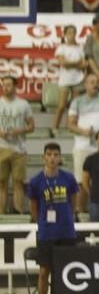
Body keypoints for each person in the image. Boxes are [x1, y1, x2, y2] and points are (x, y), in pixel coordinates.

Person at [28, 144, 79, 294]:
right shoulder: (35, 182)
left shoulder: (69, 179)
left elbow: (73, 204)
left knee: (66, 274)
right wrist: (43, 223)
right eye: (48, 154)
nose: (52, 158)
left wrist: (65, 219)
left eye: (55, 154)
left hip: (66, 232)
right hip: (46, 233)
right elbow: (34, 209)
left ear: (60, 158)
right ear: (43, 157)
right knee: (44, 273)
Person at [68, 74, 99, 212]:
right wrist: (83, 131)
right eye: (91, 82)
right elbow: (70, 125)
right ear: (85, 84)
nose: (95, 84)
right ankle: (80, 211)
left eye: (97, 82)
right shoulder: (77, 101)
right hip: (82, 146)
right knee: (80, 181)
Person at [0, 77, 33, 215]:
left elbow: (31, 126)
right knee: (1, 183)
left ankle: (18, 212)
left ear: (15, 86)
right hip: (1, 147)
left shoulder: (23, 104)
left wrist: (19, 130)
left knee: (18, 182)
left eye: (8, 85)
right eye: (4, 85)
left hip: (19, 149)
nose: (5, 87)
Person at [53, 26, 87, 131]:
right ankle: (55, 127)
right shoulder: (61, 48)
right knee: (62, 105)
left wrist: (71, 64)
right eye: (69, 33)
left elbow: (84, 65)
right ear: (65, 34)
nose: (71, 35)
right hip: (65, 80)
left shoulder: (80, 48)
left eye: (73, 32)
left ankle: (72, 126)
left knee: (75, 107)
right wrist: (76, 63)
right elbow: (63, 63)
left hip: (78, 80)